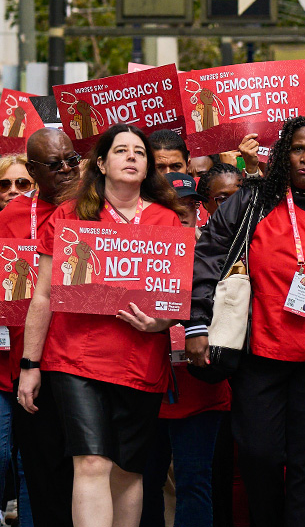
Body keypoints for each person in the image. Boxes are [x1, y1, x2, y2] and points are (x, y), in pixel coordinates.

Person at [189, 117, 305, 527]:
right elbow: (208, 258)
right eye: (298, 148)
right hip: (259, 354)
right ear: (284, 153)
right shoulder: (250, 201)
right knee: (259, 455)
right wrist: (197, 324)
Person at [18, 124, 187, 527]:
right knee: (91, 461)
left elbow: (174, 303)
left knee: (128, 469)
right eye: (121, 150)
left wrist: (161, 322)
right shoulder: (70, 214)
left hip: (140, 360)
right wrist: (30, 364)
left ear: (148, 169)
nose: (131, 156)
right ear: (100, 163)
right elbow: (41, 295)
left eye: (139, 152)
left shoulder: (168, 221)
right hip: (76, 359)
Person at [141, 173, 232, 527]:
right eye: (171, 205)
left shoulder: (218, 253)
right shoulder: (138, 253)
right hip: (148, 386)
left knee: (195, 482)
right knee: (144, 482)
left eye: (189, 204)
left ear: (200, 208)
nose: (181, 212)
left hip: (200, 386)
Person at [0, 128, 79, 527]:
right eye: (55, 164)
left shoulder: (98, 208)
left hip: (85, 365)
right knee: (42, 473)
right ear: (32, 171)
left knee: (89, 473)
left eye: (72, 160)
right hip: (31, 366)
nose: (67, 170)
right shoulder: (12, 216)